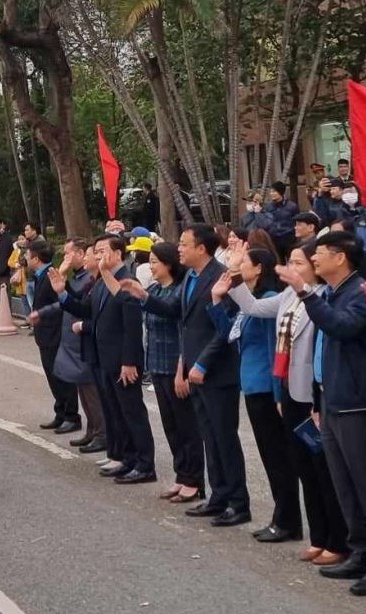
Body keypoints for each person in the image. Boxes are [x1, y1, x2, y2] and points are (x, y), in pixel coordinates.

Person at [292, 231, 366, 597]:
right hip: (333, 399)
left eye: (319, 253)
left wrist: (305, 293)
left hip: (358, 400)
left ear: (341, 257)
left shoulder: (360, 292)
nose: (314, 260)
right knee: (345, 483)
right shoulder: (333, 293)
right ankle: (360, 551)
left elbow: (343, 327)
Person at [140, 225, 249, 528]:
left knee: (224, 438)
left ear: (202, 248)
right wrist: (144, 297)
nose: (180, 250)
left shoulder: (221, 276)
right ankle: (218, 496)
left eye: (185, 244)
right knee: (209, 437)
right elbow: (178, 313)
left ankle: (238, 502)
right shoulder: (191, 276)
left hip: (216, 372)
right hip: (194, 369)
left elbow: (223, 329)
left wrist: (201, 364)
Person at [269, 241, 351, 568]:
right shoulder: (289, 296)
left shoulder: (320, 298)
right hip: (290, 389)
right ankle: (318, 536)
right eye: (290, 262)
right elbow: (258, 311)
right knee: (303, 466)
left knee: (324, 469)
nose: (293, 267)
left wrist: (304, 290)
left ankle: (337, 539)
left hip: (312, 394)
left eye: (300, 262)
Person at [214, 239, 300, 544]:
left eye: (243, 263)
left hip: (265, 388)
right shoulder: (251, 299)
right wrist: (217, 301)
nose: (238, 267)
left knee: (278, 457)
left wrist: (278, 393)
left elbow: (273, 348)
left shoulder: (271, 298)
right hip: (251, 385)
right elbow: (229, 333)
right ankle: (283, 517)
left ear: (259, 268)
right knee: (269, 455)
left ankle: (287, 519)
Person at [83, 236, 157, 484]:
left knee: (133, 412)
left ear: (117, 253)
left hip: (123, 360)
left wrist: (129, 361)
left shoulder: (127, 280)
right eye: (96, 251)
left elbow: (132, 326)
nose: (98, 255)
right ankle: (128, 458)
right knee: (116, 412)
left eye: (102, 251)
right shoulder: (105, 280)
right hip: (107, 358)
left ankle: (145, 463)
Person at [141, 241, 204, 504]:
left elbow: (176, 322)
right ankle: (181, 475)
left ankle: (194, 480)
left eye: (155, 261)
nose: (151, 266)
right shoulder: (154, 288)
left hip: (176, 366)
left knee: (187, 425)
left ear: (168, 263)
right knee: (170, 426)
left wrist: (182, 370)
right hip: (156, 365)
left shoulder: (179, 291)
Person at [34, 238, 102, 451]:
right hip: (73, 338)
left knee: (90, 391)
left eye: (68, 253)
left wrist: (62, 280)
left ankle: (100, 433)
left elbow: (79, 305)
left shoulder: (91, 280)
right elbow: (67, 301)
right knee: (83, 388)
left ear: (81, 254)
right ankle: (92, 430)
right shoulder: (82, 278)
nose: (65, 258)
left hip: (82, 339)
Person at [25, 238, 80, 435]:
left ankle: (72, 416)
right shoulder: (41, 275)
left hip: (55, 334)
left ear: (36, 258)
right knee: (52, 376)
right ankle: (61, 413)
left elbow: (64, 304)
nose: (25, 257)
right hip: (45, 335)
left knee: (62, 376)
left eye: (27, 254)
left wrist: (42, 314)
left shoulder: (52, 275)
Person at [265, 181, 301, 255]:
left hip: (289, 240)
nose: (272, 194)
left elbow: (297, 223)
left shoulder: (292, 206)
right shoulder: (268, 207)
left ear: (280, 192)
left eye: (274, 191)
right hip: (274, 240)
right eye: (271, 191)